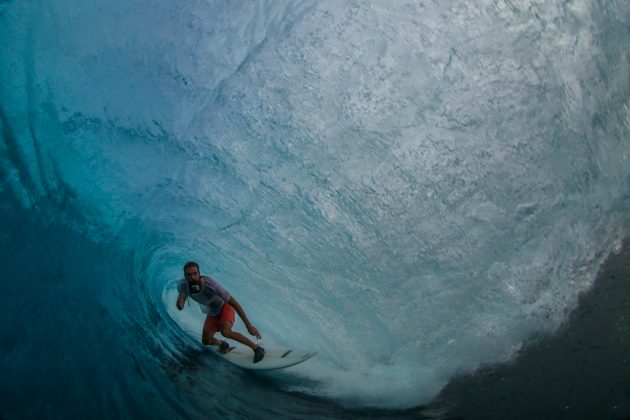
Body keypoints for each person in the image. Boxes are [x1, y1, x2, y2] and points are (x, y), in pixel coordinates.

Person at [176, 261, 265, 363]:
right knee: (206, 341)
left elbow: (234, 303)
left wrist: (248, 326)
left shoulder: (210, 285)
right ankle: (223, 345)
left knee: (225, 331)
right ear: (185, 276)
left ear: (199, 273)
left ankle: (257, 349)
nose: (193, 277)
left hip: (225, 306)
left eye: (195, 273)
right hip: (212, 310)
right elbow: (181, 301)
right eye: (189, 275)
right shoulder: (182, 285)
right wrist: (180, 302)